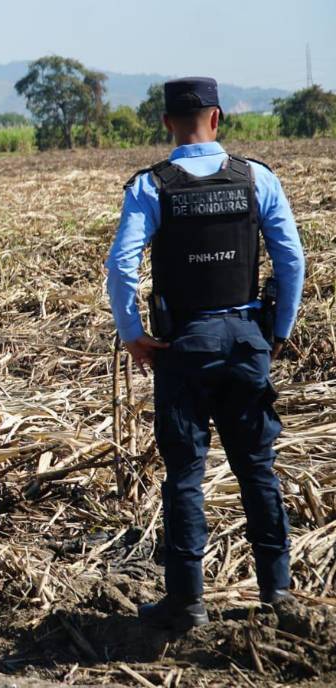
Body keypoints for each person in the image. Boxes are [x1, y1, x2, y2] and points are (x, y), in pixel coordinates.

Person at [105, 78, 305, 631]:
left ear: (167, 122)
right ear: (217, 119)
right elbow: (291, 260)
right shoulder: (256, 178)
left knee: (185, 476)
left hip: (182, 347)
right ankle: (277, 592)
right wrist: (279, 328)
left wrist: (132, 332)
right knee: (257, 468)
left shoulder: (151, 187)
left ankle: (187, 602)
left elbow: (121, 264)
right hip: (246, 342)